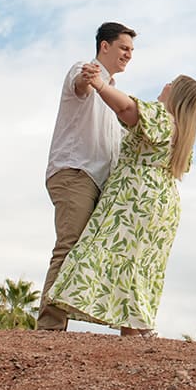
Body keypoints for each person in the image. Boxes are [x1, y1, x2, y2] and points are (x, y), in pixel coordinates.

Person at [47, 74, 196, 335]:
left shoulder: (160, 117)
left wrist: (99, 84)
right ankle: (134, 330)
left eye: (171, 83)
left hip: (136, 196)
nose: (164, 85)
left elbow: (126, 108)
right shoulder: (183, 133)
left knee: (106, 253)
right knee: (138, 266)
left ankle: (63, 311)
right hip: (163, 206)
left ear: (177, 94)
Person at [37, 22, 136, 331]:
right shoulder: (84, 70)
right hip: (75, 172)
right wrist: (89, 79)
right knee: (69, 246)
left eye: (132, 51)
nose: (128, 55)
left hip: (97, 182)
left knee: (86, 251)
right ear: (104, 46)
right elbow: (80, 85)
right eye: (123, 48)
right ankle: (49, 329)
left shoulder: (111, 94)